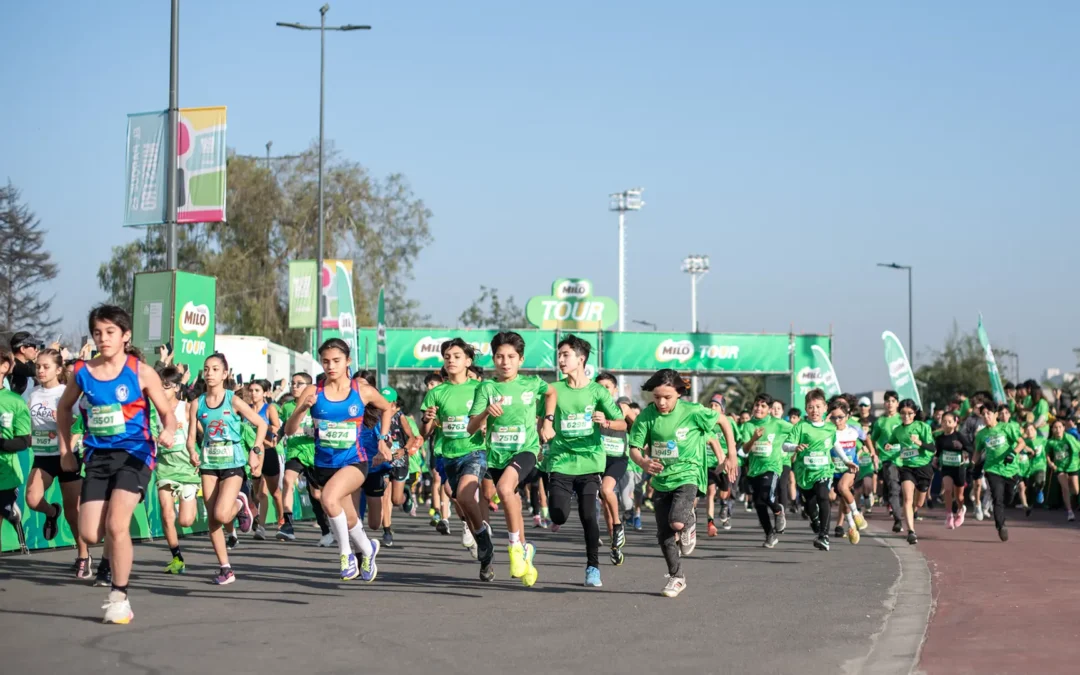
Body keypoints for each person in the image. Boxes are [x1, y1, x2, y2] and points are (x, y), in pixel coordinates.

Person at [56, 305, 177, 624]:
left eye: (110, 332)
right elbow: (64, 408)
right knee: (89, 533)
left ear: (125, 336)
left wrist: (168, 431)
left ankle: (119, 597)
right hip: (97, 457)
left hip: (135, 454)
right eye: (98, 333)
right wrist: (65, 449)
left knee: (117, 524)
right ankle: (108, 555)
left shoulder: (141, 371)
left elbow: (168, 414)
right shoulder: (82, 372)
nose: (103, 338)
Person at [284, 338, 394, 581]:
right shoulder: (313, 391)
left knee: (328, 498)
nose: (331, 366)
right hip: (325, 464)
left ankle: (346, 555)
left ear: (348, 361)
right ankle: (368, 549)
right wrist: (302, 409)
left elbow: (387, 408)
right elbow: (289, 430)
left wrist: (383, 439)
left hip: (355, 461)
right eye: (325, 361)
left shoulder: (361, 390)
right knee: (348, 516)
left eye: (336, 361)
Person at [628, 369, 737, 598]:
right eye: (657, 397)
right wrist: (643, 462)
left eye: (667, 397)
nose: (661, 402)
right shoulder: (647, 416)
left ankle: (688, 521)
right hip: (661, 479)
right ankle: (676, 577)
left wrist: (732, 456)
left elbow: (724, 421)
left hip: (689, 474)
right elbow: (634, 449)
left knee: (677, 521)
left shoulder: (693, 411)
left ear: (679, 393)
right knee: (664, 535)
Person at [467, 331, 555, 588]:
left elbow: (551, 393)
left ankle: (515, 548)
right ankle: (527, 553)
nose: (505, 362)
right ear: (494, 358)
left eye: (511, 357)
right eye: (499, 356)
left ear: (521, 359)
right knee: (512, 501)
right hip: (497, 455)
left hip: (526, 450)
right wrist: (486, 412)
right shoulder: (487, 388)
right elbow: (471, 428)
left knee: (505, 489)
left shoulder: (532, 383)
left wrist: (548, 421)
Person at [546, 336, 626, 587]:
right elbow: (541, 418)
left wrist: (606, 422)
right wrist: (543, 430)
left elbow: (622, 423)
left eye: (566, 355)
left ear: (581, 359)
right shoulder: (554, 389)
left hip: (590, 461)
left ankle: (593, 567)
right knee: (558, 516)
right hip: (561, 460)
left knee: (589, 516)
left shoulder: (597, 391)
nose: (561, 360)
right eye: (559, 355)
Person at [189, 353, 268, 584]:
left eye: (215, 369)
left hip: (233, 463)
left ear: (225, 374)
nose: (210, 373)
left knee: (222, 514)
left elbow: (261, 424)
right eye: (206, 369)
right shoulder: (197, 403)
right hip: (208, 464)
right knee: (213, 521)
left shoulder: (233, 400)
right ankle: (226, 568)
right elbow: (191, 437)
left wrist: (255, 450)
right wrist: (192, 451)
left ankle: (241, 502)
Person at [25, 348, 92, 576]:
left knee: (74, 513)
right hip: (43, 455)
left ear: (58, 369)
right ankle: (52, 512)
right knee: (32, 499)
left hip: (67, 456)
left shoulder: (66, 393)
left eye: (46, 367)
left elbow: (81, 421)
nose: (41, 371)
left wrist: (65, 419)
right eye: (38, 366)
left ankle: (83, 555)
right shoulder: (33, 394)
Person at [783, 388, 846, 552]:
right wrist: (795, 447)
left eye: (818, 407)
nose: (814, 410)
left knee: (823, 496)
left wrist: (847, 461)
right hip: (804, 474)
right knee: (810, 505)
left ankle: (824, 536)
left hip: (824, 471)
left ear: (825, 408)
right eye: (811, 407)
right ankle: (815, 520)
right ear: (806, 409)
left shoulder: (830, 428)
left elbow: (835, 444)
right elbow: (785, 445)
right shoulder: (801, 426)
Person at [153, 366, 199, 574]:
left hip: (187, 467)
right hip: (165, 467)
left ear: (177, 388)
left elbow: (202, 432)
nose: (162, 390)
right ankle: (177, 558)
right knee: (166, 514)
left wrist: (199, 454)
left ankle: (190, 497)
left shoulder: (186, 408)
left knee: (186, 521)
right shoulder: (154, 411)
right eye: (159, 386)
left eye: (166, 386)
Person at [278, 372, 333, 545]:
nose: (294, 387)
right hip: (295, 451)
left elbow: (328, 428)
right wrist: (275, 438)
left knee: (316, 494)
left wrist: (310, 431)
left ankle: (327, 529)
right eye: (292, 383)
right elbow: (284, 426)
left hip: (315, 452)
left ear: (309, 387)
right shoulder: (287, 407)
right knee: (287, 480)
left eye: (299, 383)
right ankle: (287, 524)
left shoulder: (318, 404)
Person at [742, 394, 791, 547]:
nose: (759, 408)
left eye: (763, 406)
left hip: (772, 467)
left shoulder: (778, 424)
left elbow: (798, 430)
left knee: (767, 496)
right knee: (759, 504)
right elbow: (745, 449)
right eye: (757, 405)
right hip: (754, 470)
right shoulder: (748, 426)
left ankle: (778, 510)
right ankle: (770, 535)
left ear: (769, 410)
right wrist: (754, 438)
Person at [973, 403, 1027, 541]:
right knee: (997, 498)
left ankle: (1011, 493)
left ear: (996, 414)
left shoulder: (1007, 427)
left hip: (1010, 470)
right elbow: (978, 452)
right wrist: (972, 464)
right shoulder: (981, 434)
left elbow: (1022, 443)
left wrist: (1012, 453)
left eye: (988, 413)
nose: (986, 416)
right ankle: (1001, 526)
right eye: (983, 414)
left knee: (1008, 498)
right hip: (992, 469)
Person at [0, 346, 32, 554]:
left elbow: (23, 441)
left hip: (5, 474)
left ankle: (10, 510)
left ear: (4, 366)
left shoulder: (15, 402)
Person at [594, 371, 629, 561]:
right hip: (598, 459)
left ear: (615, 390)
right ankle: (615, 545)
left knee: (606, 490)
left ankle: (617, 525)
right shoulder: (591, 408)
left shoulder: (622, 407)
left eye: (607, 387)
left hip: (617, 458)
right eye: (599, 387)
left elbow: (629, 425)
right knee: (605, 503)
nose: (603, 390)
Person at [891, 399, 936, 545]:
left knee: (919, 502)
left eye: (909, 413)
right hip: (907, 467)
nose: (906, 416)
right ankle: (911, 531)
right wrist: (888, 444)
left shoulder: (923, 427)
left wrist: (919, 442)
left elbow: (932, 448)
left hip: (923, 466)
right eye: (903, 413)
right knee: (907, 499)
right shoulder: (898, 430)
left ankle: (915, 509)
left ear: (914, 413)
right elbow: (892, 441)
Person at [829, 399, 868, 544]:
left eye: (840, 417)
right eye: (834, 417)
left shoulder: (854, 430)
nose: (837, 421)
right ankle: (851, 526)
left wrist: (871, 452)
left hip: (850, 468)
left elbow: (867, 439)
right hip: (834, 471)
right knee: (840, 499)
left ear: (847, 416)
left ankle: (857, 515)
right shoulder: (828, 431)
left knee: (843, 487)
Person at [248, 379, 282, 541]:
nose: (253, 394)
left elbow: (276, 428)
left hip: (268, 452)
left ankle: (282, 520)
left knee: (274, 492)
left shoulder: (269, 409)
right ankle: (260, 526)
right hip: (252, 454)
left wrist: (263, 426)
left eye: (257, 390)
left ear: (265, 393)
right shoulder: (246, 409)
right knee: (258, 493)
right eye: (251, 390)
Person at [870, 391, 904, 533]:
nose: (890, 404)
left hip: (905, 460)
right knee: (894, 489)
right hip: (888, 460)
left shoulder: (902, 418)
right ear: (884, 403)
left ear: (897, 403)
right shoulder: (880, 422)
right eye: (887, 401)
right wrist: (874, 454)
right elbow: (872, 439)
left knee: (904, 490)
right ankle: (898, 520)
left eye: (893, 401)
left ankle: (905, 509)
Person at [933, 411, 970, 529]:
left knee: (959, 497)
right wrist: (935, 459)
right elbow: (938, 452)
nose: (946, 424)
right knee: (947, 490)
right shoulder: (939, 438)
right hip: (946, 467)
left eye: (949, 421)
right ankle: (949, 515)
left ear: (955, 423)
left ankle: (961, 510)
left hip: (959, 468)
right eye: (944, 421)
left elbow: (970, 448)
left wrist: (962, 447)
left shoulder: (959, 436)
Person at [1046, 419, 1080, 521]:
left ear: (1064, 428)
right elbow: (1047, 454)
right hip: (1060, 467)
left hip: (1073, 466)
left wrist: (1073, 464)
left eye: (1060, 427)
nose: (1058, 430)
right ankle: (1070, 511)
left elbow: (1077, 450)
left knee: (1075, 490)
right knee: (1065, 488)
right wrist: (1050, 463)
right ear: (1052, 429)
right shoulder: (1050, 442)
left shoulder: (1069, 438)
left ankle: (1070, 492)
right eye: (1055, 427)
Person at [1018, 422, 1046, 516]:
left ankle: (1040, 490)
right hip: (1027, 469)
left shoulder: (1042, 440)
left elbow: (1050, 447)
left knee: (1039, 480)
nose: (1030, 432)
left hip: (1040, 465)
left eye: (1032, 429)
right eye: (1028, 430)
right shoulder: (1023, 442)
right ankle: (1027, 506)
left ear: (1035, 431)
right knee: (1027, 489)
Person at [8, 331, 41, 397]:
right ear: (23, 349)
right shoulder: (13, 365)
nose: (36, 350)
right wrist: (49, 354)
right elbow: (33, 370)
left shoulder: (26, 368)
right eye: (34, 347)